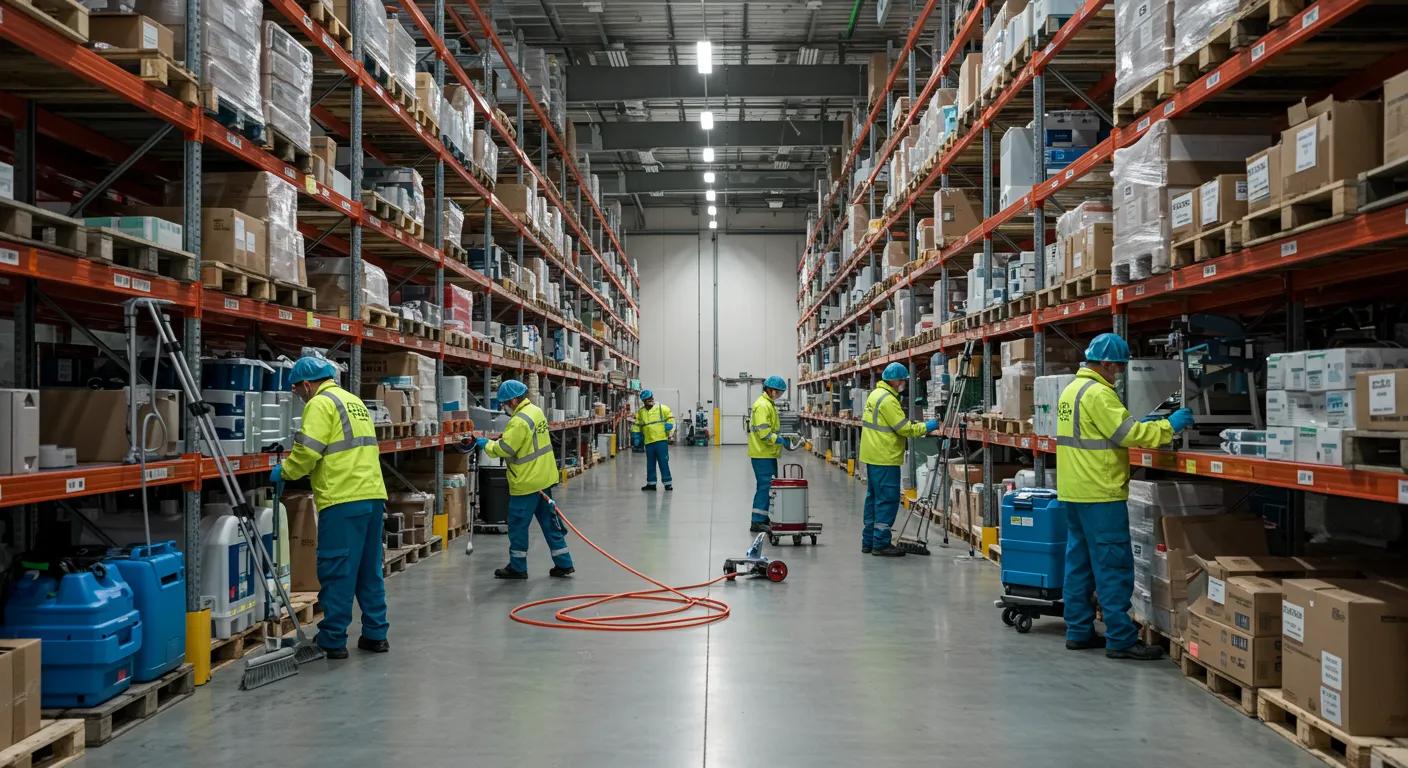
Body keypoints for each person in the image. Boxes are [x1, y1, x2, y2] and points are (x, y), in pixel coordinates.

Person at [1057, 332, 1194, 660]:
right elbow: (1128, 435)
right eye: (1116, 368)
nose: (1118, 374)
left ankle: (1078, 629)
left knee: (1079, 565)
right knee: (1113, 565)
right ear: (1105, 363)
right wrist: (1168, 426)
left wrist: (1139, 421)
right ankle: (1120, 638)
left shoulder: (1072, 390)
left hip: (1073, 492)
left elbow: (1104, 431)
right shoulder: (1099, 394)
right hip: (1100, 492)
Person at [273, 356, 389, 659]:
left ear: (307, 384)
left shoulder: (320, 403)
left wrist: (285, 471)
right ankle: (376, 634)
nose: (299, 396)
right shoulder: (353, 401)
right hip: (373, 495)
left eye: (298, 391)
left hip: (343, 499)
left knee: (337, 569)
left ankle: (333, 639)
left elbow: (308, 452)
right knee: (368, 569)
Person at [476, 379, 574, 580]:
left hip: (527, 482)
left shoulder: (519, 420)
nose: (503, 408)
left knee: (518, 526)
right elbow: (527, 442)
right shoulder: (535, 411)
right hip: (543, 479)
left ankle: (518, 567)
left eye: (504, 403)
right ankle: (564, 563)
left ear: (513, 401)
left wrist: (486, 444)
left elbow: (505, 449)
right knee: (550, 523)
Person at [859, 363, 939, 557]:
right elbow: (903, 428)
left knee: (874, 499)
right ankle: (881, 543)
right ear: (894, 380)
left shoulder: (875, 394)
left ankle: (868, 541)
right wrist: (928, 426)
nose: (903, 383)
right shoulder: (888, 400)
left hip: (872, 455)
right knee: (888, 499)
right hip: (885, 456)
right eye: (902, 380)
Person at [748, 375, 793, 532]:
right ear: (771, 390)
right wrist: (780, 440)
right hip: (762, 454)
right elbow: (764, 434)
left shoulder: (768, 404)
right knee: (765, 486)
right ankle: (757, 521)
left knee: (769, 486)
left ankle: (763, 517)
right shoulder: (762, 406)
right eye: (779, 392)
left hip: (768, 453)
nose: (780, 395)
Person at [631, 389, 675, 492]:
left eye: (651, 398)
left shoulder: (662, 408)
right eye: (647, 400)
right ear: (644, 401)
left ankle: (667, 483)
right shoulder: (641, 412)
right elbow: (637, 425)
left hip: (661, 441)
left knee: (663, 462)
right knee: (650, 463)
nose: (650, 400)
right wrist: (636, 436)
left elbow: (671, 419)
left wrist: (670, 428)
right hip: (649, 442)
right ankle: (651, 484)